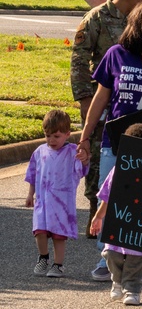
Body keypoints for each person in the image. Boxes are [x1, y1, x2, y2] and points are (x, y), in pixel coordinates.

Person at [77, 0, 142, 280]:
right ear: (141, 26)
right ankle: (107, 260)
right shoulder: (116, 55)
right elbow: (101, 99)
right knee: (110, 197)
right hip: (117, 143)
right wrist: (85, 138)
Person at [71, 0, 142, 237]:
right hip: (101, 97)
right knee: (98, 156)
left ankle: (122, 213)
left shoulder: (140, 21)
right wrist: (85, 99)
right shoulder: (97, 17)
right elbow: (79, 60)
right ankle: (96, 211)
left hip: (131, 101)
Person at [90, 122, 142, 305]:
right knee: (112, 254)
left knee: (137, 258)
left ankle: (132, 289)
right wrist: (98, 216)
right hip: (119, 221)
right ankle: (117, 282)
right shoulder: (119, 168)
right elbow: (107, 195)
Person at [26, 109, 87, 279]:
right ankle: (43, 257)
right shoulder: (39, 152)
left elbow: (81, 170)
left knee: (59, 235)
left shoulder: (72, 152)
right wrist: (30, 194)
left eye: (57, 136)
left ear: (67, 134)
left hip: (62, 202)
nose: (51, 140)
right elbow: (33, 174)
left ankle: (58, 264)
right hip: (42, 201)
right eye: (48, 136)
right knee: (40, 231)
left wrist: (84, 158)